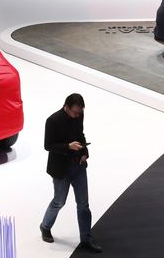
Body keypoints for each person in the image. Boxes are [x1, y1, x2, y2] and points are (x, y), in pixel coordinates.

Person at [40, 93, 102, 254]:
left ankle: (86, 238)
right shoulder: (53, 120)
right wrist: (67, 146)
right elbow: (48, 145)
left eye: (79, 113)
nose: (77, 115)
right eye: (74, 112)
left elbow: (81, 134)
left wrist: (85, 151)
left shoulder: (79, 116)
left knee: (83, 204)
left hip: (78, 166)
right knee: (59, 201)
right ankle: (45, 226)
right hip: (61, 169)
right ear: (66, 107)